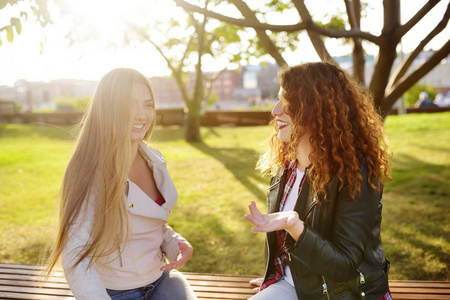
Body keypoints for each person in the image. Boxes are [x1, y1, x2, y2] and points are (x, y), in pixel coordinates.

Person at [45, 68, 197, 300]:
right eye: (129, 105)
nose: (142, 115)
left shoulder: (152, 158)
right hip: (114, 293)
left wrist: (174, 242)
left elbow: (149, 221)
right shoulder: (88, 170)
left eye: (147, 105)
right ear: (108, 110)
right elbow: (77, 258)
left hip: (163, 281)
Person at [245, 62, 393, 299]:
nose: (275, 111)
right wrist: (274, 277)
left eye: (286, 103)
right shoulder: (287, 165)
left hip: (342, 294)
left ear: (315, 110)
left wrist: (295, 226)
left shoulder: (355, 172)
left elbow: (345, 265)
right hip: (293, 287)